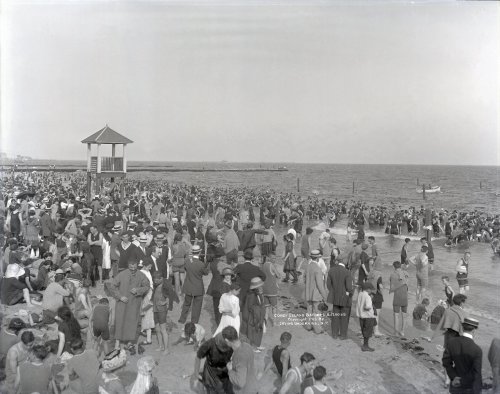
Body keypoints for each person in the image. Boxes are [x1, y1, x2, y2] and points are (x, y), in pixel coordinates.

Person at [109, 259, 150, 354]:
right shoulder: (122, 274)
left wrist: (138, 290)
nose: (132, 270)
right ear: (128, 266)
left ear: (137, 266)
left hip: (134, 303)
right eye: (131, 268)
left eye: (134, 268)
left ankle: (130, 342)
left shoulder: (141, 275)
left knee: (132, 322)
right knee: (120, 322)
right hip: (122, 303)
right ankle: (117, 343)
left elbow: (147, 287)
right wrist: (120, 296)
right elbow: (112, 286)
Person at [442, 317, 482, 394]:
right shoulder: (477, 350)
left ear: (463, 328)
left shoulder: (451, 342)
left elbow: (446, 362)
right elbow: (477, 373)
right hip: (468, 387)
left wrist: (453, 377)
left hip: (454, 384)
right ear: (474, 331)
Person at [191, 325, 236, 394]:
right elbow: (198, 357)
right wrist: (196, 373)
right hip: (211, 373)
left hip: (225, 371)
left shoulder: (232, 342)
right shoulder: (209, 344)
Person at [178, 245, 210, 324]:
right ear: (199, 252)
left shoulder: (187, 261)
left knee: (186, 304)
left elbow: (185, 268)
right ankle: (194, 321)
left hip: (188, 286)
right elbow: (206, 273)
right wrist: (208, 264)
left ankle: (182, 319)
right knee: (197, 306)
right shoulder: (201, 264)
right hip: (198, 287)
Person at [326, 253, 353, 340]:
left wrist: (333, 292)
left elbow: (328, 285)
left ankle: (334, 334)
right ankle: (343, 335)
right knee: (344, 317)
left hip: (335, 296)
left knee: (335, 315)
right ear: (344, 261)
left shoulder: (331, 270)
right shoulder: (347, 272)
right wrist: (350, 292)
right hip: (344, 297)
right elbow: (349, 288)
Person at [304, 249, 328, 334]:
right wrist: (325, 296)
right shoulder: (317, 269)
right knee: (317, 312)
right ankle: (317, 329)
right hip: (316, 294)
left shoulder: (308, 266)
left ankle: (308, 326)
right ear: (318, 258)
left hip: (308, 292)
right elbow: (320, 285)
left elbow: (304, 279)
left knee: (309, 309)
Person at [241, 277, 266, 351]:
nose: (261, 287)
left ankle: (257, 345)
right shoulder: (251, 295)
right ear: (255, 288)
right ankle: (253, 347)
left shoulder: (258, 293)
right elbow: (250, 307)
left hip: (257, 316)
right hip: (252, 317)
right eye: (260, 286)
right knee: (253, 332)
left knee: (258, 331)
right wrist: (260, 309)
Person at [389, 261, 409, 337]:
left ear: (394, 267)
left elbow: (392, 286)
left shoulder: (393, 275)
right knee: (404, 315)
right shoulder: (406, 273)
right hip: (405, 297)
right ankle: (402, 331)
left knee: (396, 315)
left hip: (397, 296)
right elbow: (407, 285)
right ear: (400, 266)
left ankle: (396, 332)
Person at [356, 282, 377, 351]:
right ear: (368, 289)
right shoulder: (367, 296)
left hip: (361, 316)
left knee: (364, 330)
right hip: (368, 317)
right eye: (371, 290)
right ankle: (365, 346)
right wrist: (370, 301)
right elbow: (368, 307)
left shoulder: (360, 294)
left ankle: (365, 345)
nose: (371, 291)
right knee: (367, 331)